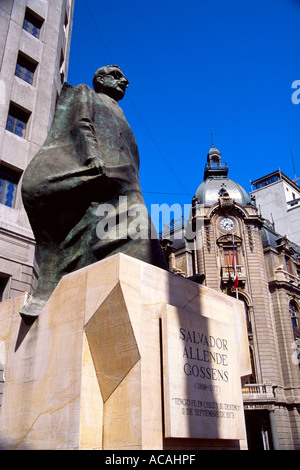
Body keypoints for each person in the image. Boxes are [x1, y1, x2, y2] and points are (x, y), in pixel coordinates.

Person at [20, 65, 168, 319]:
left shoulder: (119, 111)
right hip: (101, 169)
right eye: (118, 76)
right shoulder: (85, 93)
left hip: (125, 176)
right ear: (101, 79)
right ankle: (162, 275)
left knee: (138, 221)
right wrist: (91, 156)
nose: (126, 81)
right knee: (138, 216)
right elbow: (81, 124)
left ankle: (163, 276)